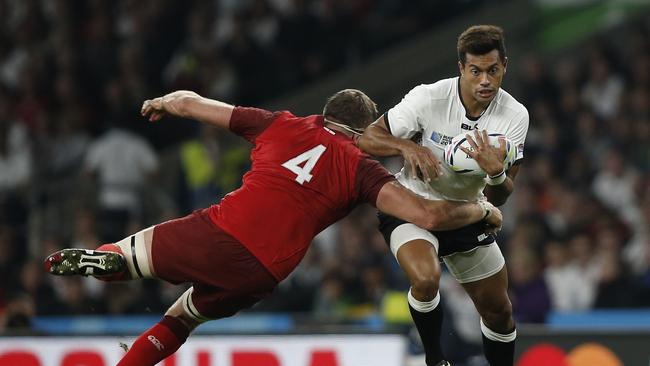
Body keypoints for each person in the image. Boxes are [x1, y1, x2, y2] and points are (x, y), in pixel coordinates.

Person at [43, 88, 503, 366]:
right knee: (180, 320)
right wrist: (482, 210)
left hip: (222, 230)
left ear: (325, 114)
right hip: (265, 271)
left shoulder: (280, 124)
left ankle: (111, 260)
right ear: (366, 130)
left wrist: (165, 102)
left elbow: (195, 103)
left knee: (129, 255)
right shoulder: (362, 169)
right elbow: (428, 217)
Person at [358, 25, 529, 366]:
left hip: (465, 211)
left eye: (493, 71)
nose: (485, 81)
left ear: (504, 66)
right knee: (425, 279)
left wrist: (495, 171)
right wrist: (406, 147)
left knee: (499, 311)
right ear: (461, 68)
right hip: (412, 204)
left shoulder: (514, 115)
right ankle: (435, 360)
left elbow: (500, 197)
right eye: (476, 71)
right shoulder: (428, 98)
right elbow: (368, 137)